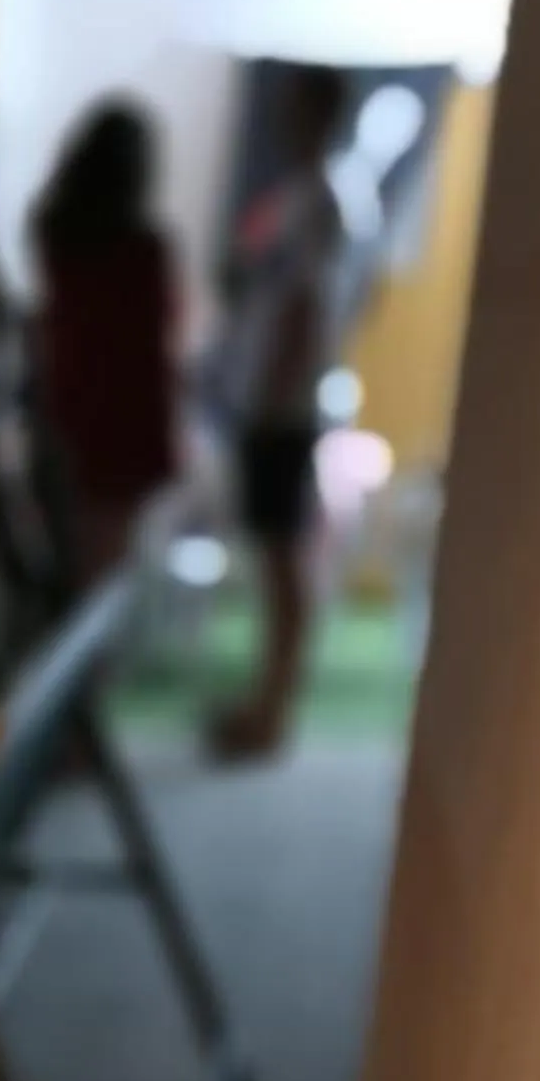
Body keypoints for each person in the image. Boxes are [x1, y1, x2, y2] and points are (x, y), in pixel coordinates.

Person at [208, 63, 350, 760]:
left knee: (282, 558)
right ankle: (266, 700)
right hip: (272, 402)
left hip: (282, 409)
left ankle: (275, 709)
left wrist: (272, 396)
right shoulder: (301, 197)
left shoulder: (321, 200)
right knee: (273, 558)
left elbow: (306, 307)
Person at [31, 100, 182, 590]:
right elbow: (156, 343)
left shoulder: (59, 236)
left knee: (77, 554)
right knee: (109, 566)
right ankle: (93, 662)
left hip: (71, 405)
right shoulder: (146, 251)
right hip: (125, 419)